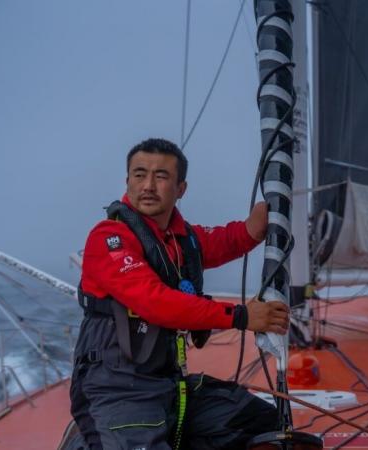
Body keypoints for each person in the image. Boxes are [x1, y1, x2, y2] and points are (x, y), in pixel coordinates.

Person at [69, 138, 289, 450]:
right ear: (127, 181)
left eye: (161, 177)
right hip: (116, 390)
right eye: (139, 174)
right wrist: (241, 316)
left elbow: (227, 239)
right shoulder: (109, 238)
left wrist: (261, 222)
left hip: (167, 386)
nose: (148, 185)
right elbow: (154, 301)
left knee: (261, 423)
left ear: (180, 189)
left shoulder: (180, 239)